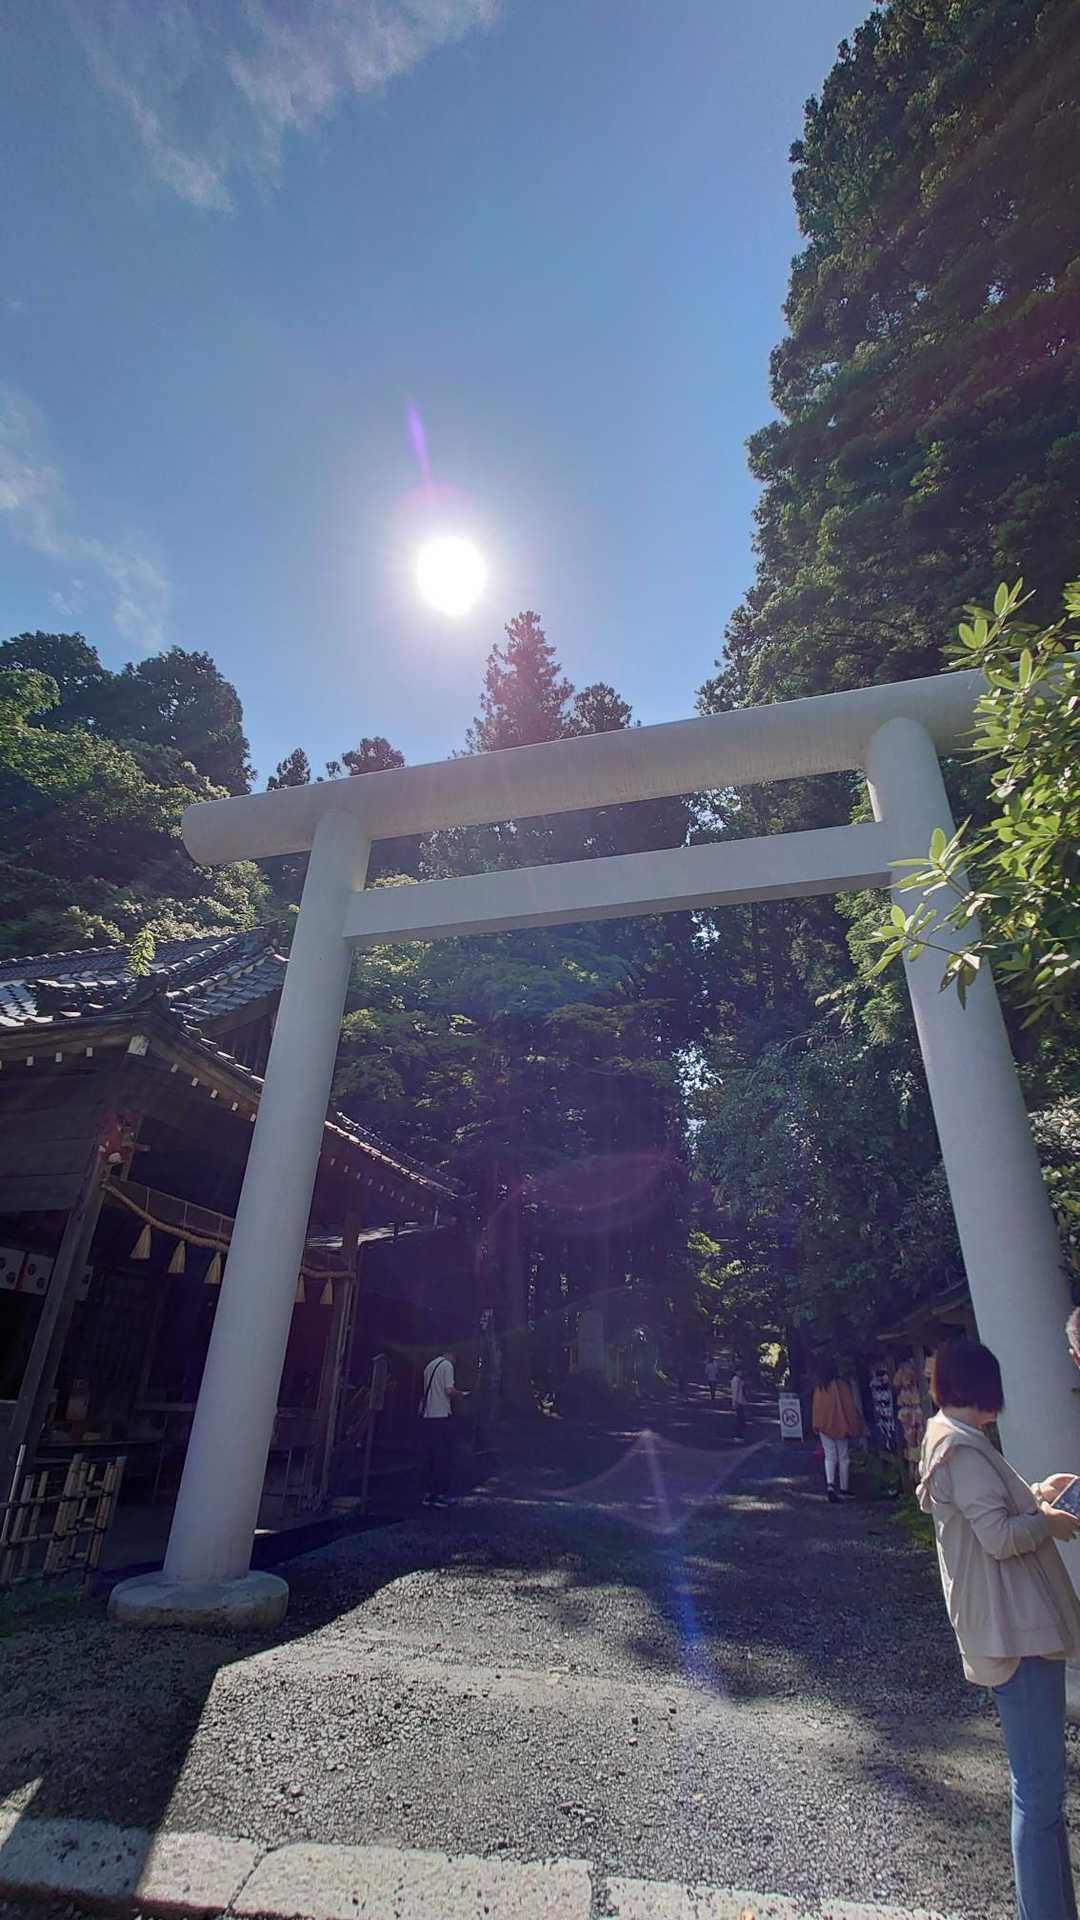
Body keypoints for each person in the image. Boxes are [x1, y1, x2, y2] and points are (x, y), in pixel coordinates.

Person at [918, 1338, 1080, 1920]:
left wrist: (1037, 1495)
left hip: (1009, 1628)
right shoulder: (961, 1449)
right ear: (981, 1387)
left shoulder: (951, 1438)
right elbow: (1001, 1536)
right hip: (1017, 1633)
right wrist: (1048, 1523)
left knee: (1041, 1792)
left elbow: (990, 1513)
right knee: (1038, 1793)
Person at [418, 1348, 467, 1509]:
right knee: (443, 1456)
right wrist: (461, 1394)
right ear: (451, 1355)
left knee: (430, 1455)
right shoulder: (447, 1365)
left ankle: (427, 1493)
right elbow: (449, 1390)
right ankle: (440, 1494)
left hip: (428, 1414)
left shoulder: (429, 1366)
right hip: (441, 1414)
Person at [811, 1360, 863, 1502]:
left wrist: (817, 1425)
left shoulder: (819, 1388)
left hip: (824, 1427)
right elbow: (849, 1408)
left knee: (829, 1456)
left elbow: (816, 1409)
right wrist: (854, 1425)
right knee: (843, 1457)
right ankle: (844, 1488)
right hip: (841, 1426)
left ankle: (830, 1485)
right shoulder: (842, 1386)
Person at [730, 1367, 748, 1439]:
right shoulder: (735, 1380)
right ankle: (738, 1435)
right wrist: (734, 1402)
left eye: (741, 1371)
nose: (741, 1373)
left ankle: (740, 1435)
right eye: (739, 1371)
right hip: (738, 1402)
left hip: (741, 1401)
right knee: (739, 1419)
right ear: (736, 1372)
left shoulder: (740, 1380)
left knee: (741, 1419)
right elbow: (735, 1392)